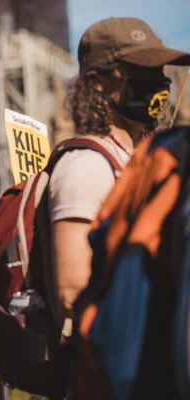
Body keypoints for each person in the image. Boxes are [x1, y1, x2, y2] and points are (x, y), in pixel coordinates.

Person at [51, 17, 190, 322]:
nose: (158, 81)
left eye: (159, 70)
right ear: (97, 81)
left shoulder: (139, 157)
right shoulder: (86, 166)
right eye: (141, 71)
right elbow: (72, 292)